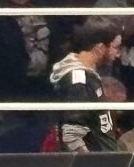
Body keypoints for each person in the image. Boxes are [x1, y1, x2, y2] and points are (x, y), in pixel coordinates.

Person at [49, 18, 122, 152]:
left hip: (103, 164)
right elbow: (71, 136)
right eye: (115, 47)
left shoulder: (87, 76)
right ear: (100, 48)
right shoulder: (79, 79)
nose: (118, 54)